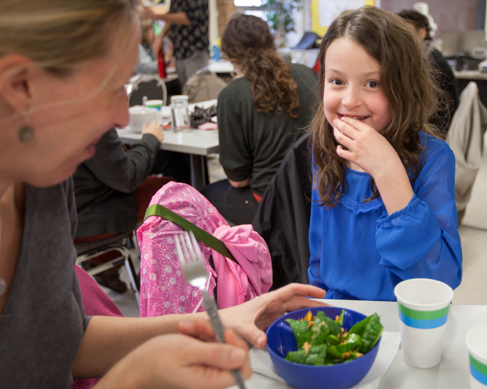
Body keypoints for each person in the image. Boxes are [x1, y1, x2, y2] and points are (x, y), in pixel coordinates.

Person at [0, 1, 328, 389]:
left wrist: (217, 321)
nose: (121, 116)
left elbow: (66, 343)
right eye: (113, 87)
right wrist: (133, 378)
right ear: (21, 86)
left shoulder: (45, 186)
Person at [308, 6, 462, 301]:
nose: (350, 101)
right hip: (339, 316)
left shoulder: (433, 158)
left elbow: (440, 281)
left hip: (402, 316)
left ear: (404, 88)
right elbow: (319, 261)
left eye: (373, 84)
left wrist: (388, 172)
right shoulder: (326, 149)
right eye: (337, 81)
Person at [201, 14, 318, 225]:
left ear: (230, 53)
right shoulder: (307, 75)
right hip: (316, 195)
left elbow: (238, 181)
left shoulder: (233, 95)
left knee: (201, 196)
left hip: (269, 204)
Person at [73, 123, 170, 293]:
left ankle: (105, 261)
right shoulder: (90, 121)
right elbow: (128, 177)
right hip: (89, 217)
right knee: (173, 190)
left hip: (58, 219)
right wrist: (151, 138)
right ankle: (152, 281)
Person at [397, 9, 459, 135]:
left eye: (406, 31)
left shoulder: (431, 61)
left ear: (422, 32)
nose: (400, 37)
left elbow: (424, 104)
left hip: (435, 127)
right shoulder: (424, 54)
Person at [143, 0, 209, 88]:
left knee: (196, 90)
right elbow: (172, 15)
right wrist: (160, 36)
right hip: (179, 51)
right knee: (185, 90)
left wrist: (155, 15)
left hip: (194, 49)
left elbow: (189, 17)